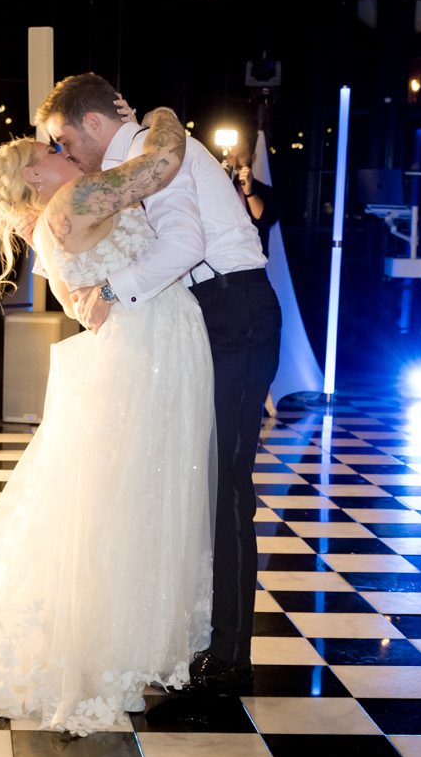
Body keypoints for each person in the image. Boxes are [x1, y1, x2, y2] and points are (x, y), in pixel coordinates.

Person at [0, 107, 213, 733]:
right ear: (33, 175)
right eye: (49, 151)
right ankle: (114, 649)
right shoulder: (72, 200)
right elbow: (160, 164)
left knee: (128, 500)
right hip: (147, 351)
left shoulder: (50, 221)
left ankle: (127, 641)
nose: (63, 152)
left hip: (146, 346)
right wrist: (162, 115)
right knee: (137, 498)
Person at [46, 74, 282, 695]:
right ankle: (203, 640)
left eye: (65, 140)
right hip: (211, 313)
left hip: (234, 309)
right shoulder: (140, 156)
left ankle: (229, 659)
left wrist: (110, 290)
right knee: (199, 479)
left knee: (225, 482)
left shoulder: (154, 152)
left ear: (93, 123)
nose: (68, 154)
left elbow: (184, 243)